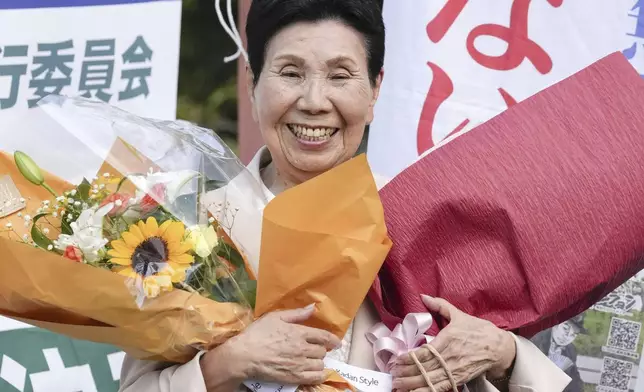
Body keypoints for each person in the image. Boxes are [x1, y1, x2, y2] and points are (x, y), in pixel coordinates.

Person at [119, 1, 571, 391]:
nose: (314, 101)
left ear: (375, 90)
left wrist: (502, 351)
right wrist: (228, 364)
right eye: (290, 73)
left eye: (341, 75)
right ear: (253, 81)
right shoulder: (187, 231)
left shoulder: (423, 214)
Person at [531, 315, 587, 392]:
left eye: (573, 335)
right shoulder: (535, 337)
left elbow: (574, 379)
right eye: (565, 328)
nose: (567, 337)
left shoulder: (571, 351)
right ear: (555, 323)